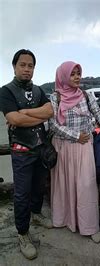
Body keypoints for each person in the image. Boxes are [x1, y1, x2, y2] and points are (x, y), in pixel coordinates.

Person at [49, 61, 100, 244]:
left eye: (78, 73)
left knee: (86, 186)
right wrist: (76, 135)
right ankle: (65, 219)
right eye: (72, 74)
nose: (77, 77)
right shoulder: (55, 98)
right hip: (63, 147)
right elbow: (52, 125)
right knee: (65, 185)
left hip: (84, 147)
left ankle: (89, 226)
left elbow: (99, 113)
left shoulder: (85, 95)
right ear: (63, 76)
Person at [0, 49, 54, 260]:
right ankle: (23, 233)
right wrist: (34, 116)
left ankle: (37, 214)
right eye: (22, 65)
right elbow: (15, 120)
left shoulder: (39, 90)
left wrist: (25, 113)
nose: (27, 69)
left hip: (40, 148)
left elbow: (50, 111)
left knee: (39, 186)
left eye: (30, 65)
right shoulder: (6, 92)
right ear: (14, 66)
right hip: (21, 151)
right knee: (22, 194)